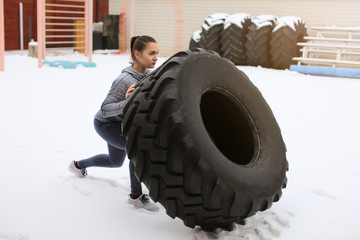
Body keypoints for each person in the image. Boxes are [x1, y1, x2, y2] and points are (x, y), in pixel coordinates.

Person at [68, 35, 159, 212]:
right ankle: (136, 196)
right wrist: (128, 101)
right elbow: (105, 109)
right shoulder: (124, 80)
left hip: (122, 124)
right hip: (106, 124)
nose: (156, 57)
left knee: (114, 161)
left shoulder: (148, 75)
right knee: (136, 150)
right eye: (151, 53)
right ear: (137, 54)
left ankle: (78, 165)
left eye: (157, 53)